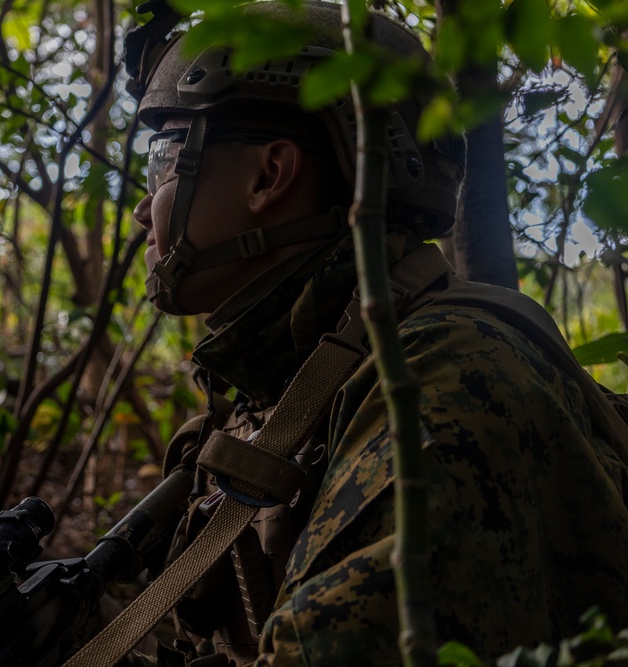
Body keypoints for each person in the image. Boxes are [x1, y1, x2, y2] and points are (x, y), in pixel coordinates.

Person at [120, 1, 628, 665]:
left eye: (165, 159)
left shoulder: (445, 379)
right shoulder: (289, 390)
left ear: (269, 176)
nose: (140, 209)